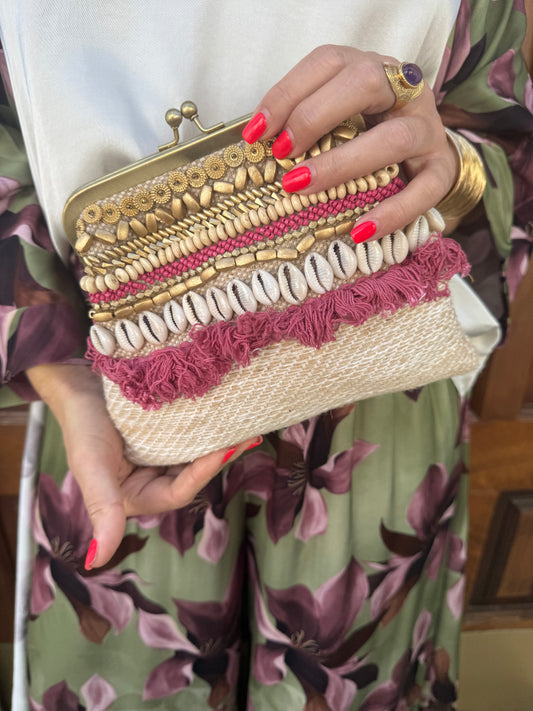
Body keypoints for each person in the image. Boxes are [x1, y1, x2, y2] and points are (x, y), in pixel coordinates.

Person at [0, 1, 531, 709]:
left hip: (378, 391)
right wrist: (66, 385)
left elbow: (506, 143)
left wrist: (449, 167)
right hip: (126, 406)